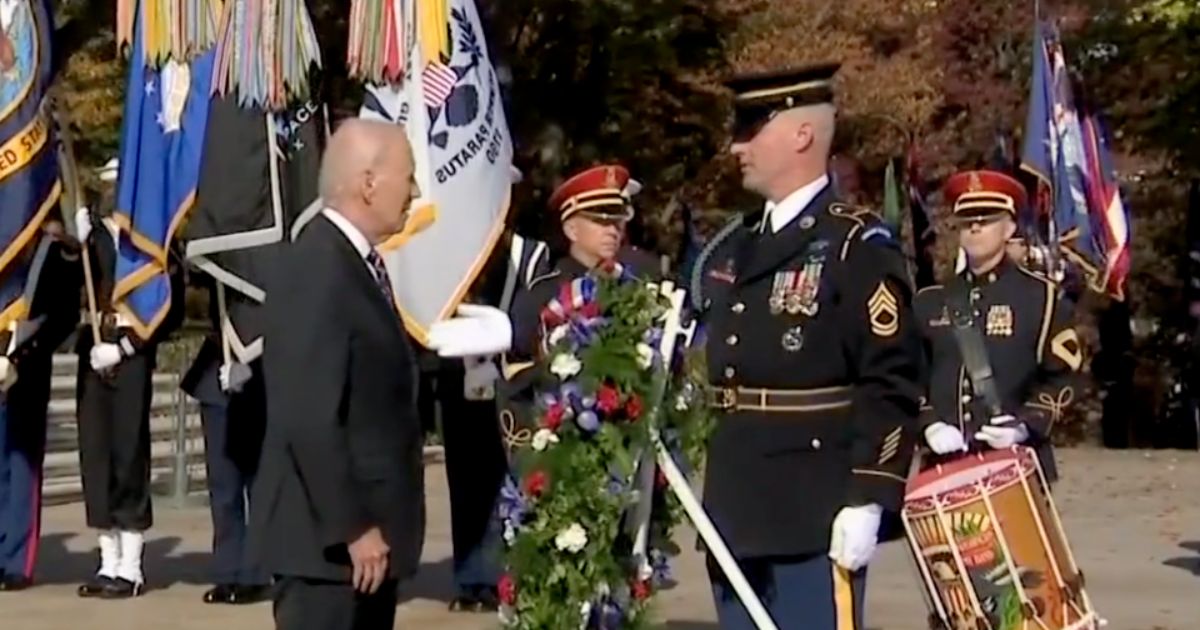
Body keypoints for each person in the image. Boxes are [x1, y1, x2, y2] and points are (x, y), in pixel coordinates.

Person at [692, 63, 923, 629]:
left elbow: (890, 379)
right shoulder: (734, 244)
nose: (736, 145)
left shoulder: (854, 245)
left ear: (801, 134)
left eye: (751, 129)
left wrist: (871, 493)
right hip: (737, 498)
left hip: (813, 505)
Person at [250, 118, 425, 630]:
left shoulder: (355, 263)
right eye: (407, 177)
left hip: (360, 549)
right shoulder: (318, 265)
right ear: (368, 182)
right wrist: (353, 526)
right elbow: (307, 413)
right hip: (327, 550)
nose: (414, 192)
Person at [914, 170, 1082, 482]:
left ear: (1010, 228)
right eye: (966, 221)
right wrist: (928, 423)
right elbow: (907, 376)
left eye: (987, 219)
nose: (975, 227)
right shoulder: (930, 301)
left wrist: (1026, 425)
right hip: (945, 467)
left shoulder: (1040, 297)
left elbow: (1065, 377)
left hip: (1015, 468)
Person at [73, 202, 183, 599]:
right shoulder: (90, 237)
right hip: (93, 349)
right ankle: (107, 561)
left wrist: (126, 347)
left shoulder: (153, 239)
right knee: (96, 453)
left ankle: (131, 565)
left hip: (129, 354)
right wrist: (73, 247)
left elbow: (171, 305)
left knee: (128, 450)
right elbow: (62, 289)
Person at [0, 220, 82, 591]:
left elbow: (65, 317)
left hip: (26, 370)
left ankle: (16, 560)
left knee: (21, 468)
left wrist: (20, 355)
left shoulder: (55, 252)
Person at [179, 281, 269, 605]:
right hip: (217, 374)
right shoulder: (211, 267)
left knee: (257, 483)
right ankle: (227, 570)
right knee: (223, 485)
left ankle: (256, 573)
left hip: (259, 376)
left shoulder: (265, 260)